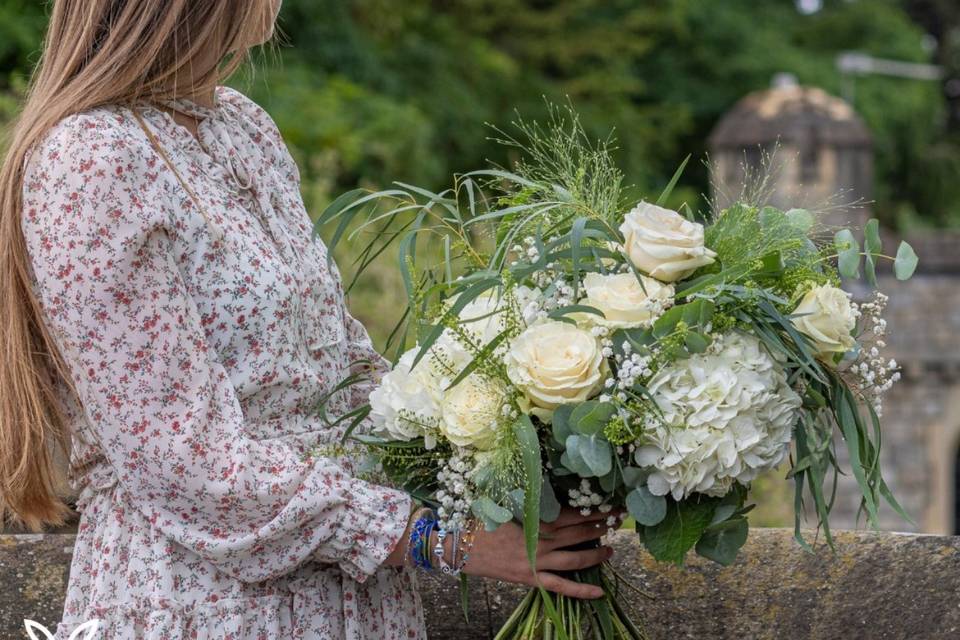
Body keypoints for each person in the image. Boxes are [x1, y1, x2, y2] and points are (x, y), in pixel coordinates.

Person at [0, 2, 616, 638]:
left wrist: (509, 447)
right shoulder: (92, 159)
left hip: (350, 587)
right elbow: (183, 462)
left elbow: (337, 365)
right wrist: (439, 538)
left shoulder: (240, 124)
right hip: (205, 595)